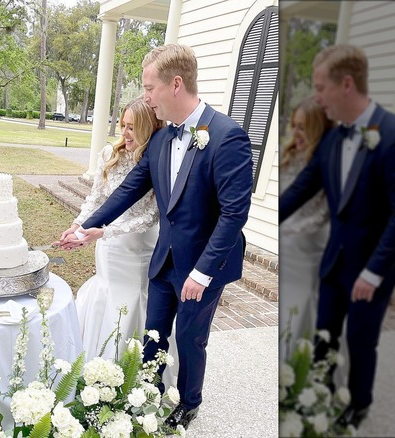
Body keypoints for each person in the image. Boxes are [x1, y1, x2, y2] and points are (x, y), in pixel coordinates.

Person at [59, 43, 253, 429]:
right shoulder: (162, 139)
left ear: (176, 84)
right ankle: (146, 392)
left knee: (191, 337)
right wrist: (85, 227)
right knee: (154, 333)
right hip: (163, 258)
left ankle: (189, 402)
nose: (146, 97)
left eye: (150, 88)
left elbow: (234, 214)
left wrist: (202, 272)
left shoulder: (227, 136)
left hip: (204, 265)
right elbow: (129, 189)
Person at [280, 44, 395, 429]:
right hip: (335, 258)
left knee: (360, 340)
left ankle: (359, 404)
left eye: (320, 86)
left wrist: (374, 272)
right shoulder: (331, 139)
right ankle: (321, 395)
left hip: (374, 266)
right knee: (325, 334)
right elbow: (299, 192)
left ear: (346, 84)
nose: (316, 96)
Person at [64, 97, 163, 361]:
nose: (125, 133)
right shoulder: (109, 154)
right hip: (108, 248)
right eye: (122, 125)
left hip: (138, 247)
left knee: (133, 299)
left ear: (147, 128)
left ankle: (133, 365)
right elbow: (95, 198)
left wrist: (105, 232)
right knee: (105, 293)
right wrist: (77, 226)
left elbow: (152, 216)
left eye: (132, 127)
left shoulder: (157, 160)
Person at [279, 98, 334, 358]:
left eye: (303, 127)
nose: (296, 133)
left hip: (305, 247)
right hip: (288, 243)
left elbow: (322, 213)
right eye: (294, 126)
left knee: (298, 309)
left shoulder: (324, 164)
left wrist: (289, 232)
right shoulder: (289, 156)